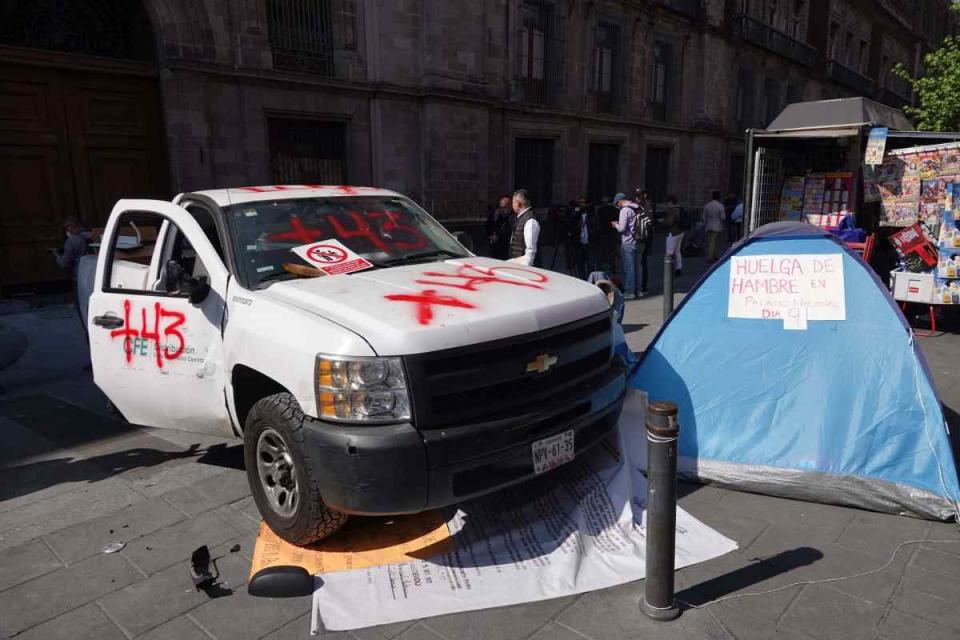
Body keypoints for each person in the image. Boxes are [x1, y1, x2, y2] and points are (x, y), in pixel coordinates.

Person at [609, 192, 643, 299]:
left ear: (619, 201)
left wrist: (615, 225)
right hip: (640, 241)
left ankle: (630, 292)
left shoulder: (625, 210)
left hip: (628, 242)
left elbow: (622, 228)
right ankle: (639, 291)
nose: (617, 207)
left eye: (616, 204)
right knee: (638, 267)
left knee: (629, 268)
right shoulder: (638, 207)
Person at [508, 189, 541, 266]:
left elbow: (530, 251)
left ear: (518, 204)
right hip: (517, 263)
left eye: (513, 202)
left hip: (524, 267)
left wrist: (526, 269)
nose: (512, 204)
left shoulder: (530, 221)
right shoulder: (520, 218)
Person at [635, 188, 654, 296]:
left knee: (641, 263)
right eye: (637, 196)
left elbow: (648, 222)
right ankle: (643, 286)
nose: (637, 198)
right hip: (645, 237)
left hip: (644, 238)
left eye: (639, 195)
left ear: (644, 195)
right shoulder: (642, 205)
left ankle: (642, 287)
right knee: (642, 262)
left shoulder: (646, 206)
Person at [572, 196, 597, 279]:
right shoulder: (578, 215)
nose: (581, 204)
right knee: (580, 264)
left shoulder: (592, 215)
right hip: (580, 242)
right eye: (580, 202)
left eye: (583, 202)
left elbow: (596, 228)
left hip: (590, 242)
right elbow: (572, 225)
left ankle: (590, 280)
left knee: (590, 264)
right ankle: (582, 280)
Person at [595, 196, 620, 273]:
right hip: (612, 232)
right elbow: (617, 221)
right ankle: (612, 268)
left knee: (601, 251)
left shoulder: (599, 209)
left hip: (603, 233)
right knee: (612, 251)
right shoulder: (615, 210)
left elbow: (597, 221)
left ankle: (600, 268)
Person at [661, 195, 685, 276]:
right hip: (680, 232)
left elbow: (669, 222)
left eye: (667, 203)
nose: (666, 205)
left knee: (669, 253)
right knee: (677, 251)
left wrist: (663, 221)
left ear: (670, 203)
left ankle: (669, 270)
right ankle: (679, 268)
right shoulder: (679, 208)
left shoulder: (672, 210)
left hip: (673, 233)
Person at [485, 196, 514, 260]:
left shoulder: (513, 218)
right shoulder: (496, 217)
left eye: (505, 208)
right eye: (501, 208)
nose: (503, 211)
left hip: (507, 252)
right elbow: (488, 229)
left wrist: (499, 238)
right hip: (495, 251)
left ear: (510, 207)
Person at [702, 190, 726, 262]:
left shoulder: (707, 205)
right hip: (717, 226)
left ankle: (714, 255)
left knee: (711, 242)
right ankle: (710, 257)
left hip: (708, 226)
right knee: (714, 242)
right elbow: (723, 217)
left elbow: (703, 217)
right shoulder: (720, 206)